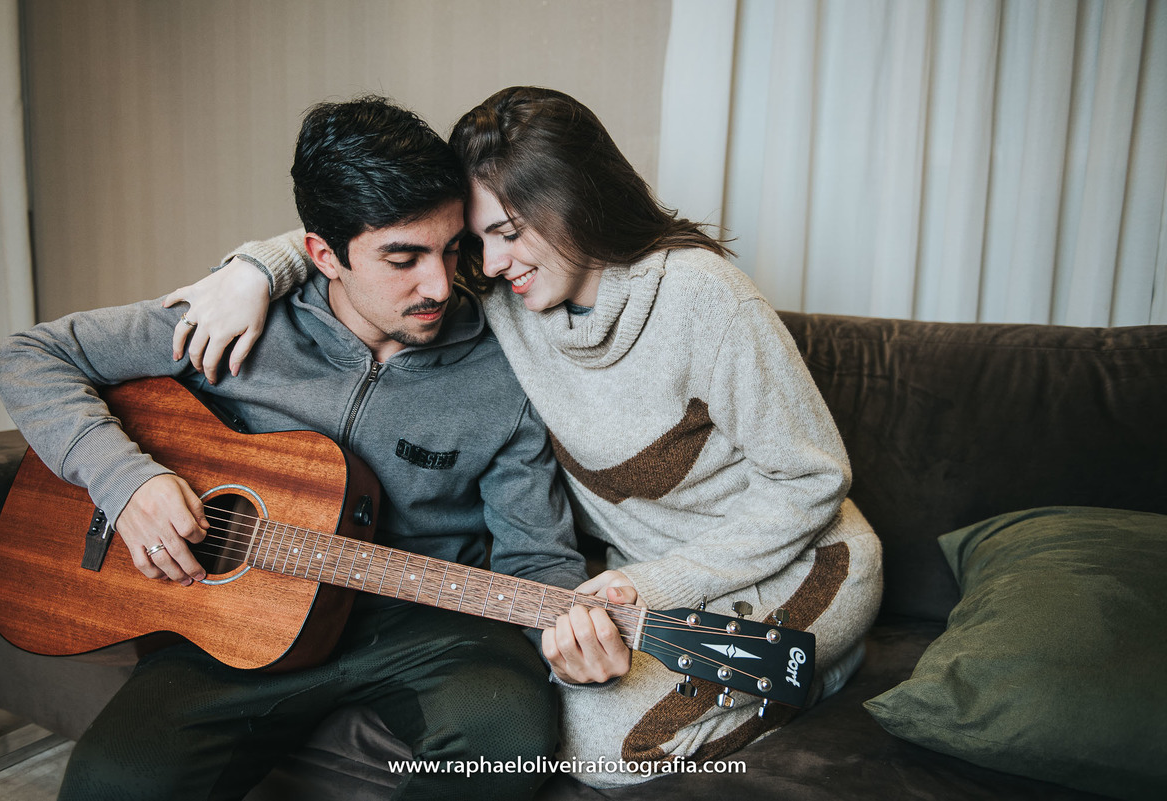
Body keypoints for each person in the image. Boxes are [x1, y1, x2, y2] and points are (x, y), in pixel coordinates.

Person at [168, 86, 884, 788]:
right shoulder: (502, 296)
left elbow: (813, 479)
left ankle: (819, 669)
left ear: (575, 202)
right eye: (476, 240)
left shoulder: (705, 298)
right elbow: (369, 235)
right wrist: (255, 270)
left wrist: (652, 585)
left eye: (508, 234)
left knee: (602, 757)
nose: (486, 263)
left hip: (800, 560)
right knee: (567, 720)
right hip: (642, 582)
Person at [0, 95, 590, 801]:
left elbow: (537, 559)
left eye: (451, 247)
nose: (439, 283)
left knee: (507, 735)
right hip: (232, 618)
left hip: (425, 620)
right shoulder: (232, 322)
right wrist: (125, 481)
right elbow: (30, 356)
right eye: (402, 258)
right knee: (112, 783)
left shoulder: (505, 369)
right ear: (323, 255)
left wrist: (573, 637)